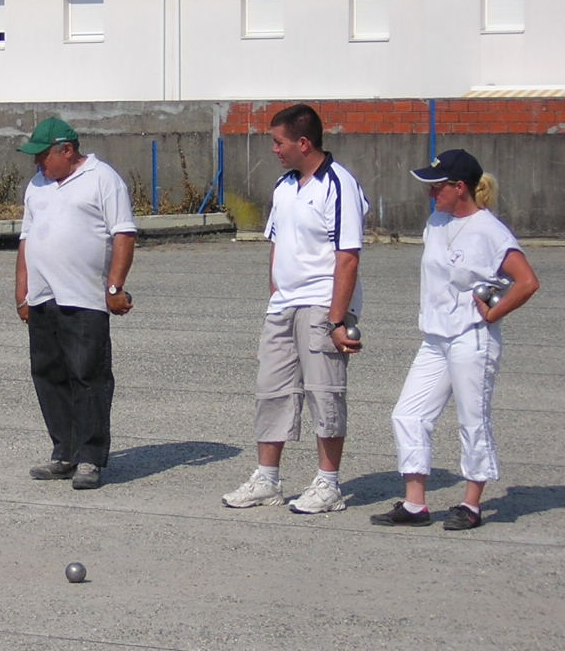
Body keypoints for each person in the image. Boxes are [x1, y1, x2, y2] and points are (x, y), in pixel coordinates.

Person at [370, 149, 538, 530]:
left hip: (472, 339)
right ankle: (415, 505)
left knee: (472, 420)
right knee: (408, 414)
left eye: (437, 187)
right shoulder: (436, 221)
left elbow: (527, 282)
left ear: (459, 188)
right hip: (435, 338)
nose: (431, 194)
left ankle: (471, 504)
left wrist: (494, 312)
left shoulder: (491, 232)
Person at [222, 103, 369, 514]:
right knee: (271, 392)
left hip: (322, 305)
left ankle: (329, 484)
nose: (274, 150)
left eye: (279, 142)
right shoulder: (284, 187)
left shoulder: (339, 186)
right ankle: (267, 479)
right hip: (283, 306)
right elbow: (276, 244)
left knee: (325, 394)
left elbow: (348, 257)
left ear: (303, 143)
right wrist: (275, 297)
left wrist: (337, 320)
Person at [15, 117, 136, 490]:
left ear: (66, 150)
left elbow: (124, 234)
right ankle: (64, 452)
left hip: (84, 298)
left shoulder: (103, 179)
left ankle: (90, 457)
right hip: (43, 297)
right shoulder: (38, 186)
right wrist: (22, 292)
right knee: (49, 375)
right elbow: (26, 239)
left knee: (89, 377)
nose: (37, 164)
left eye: (42, 156)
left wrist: (115, 288)